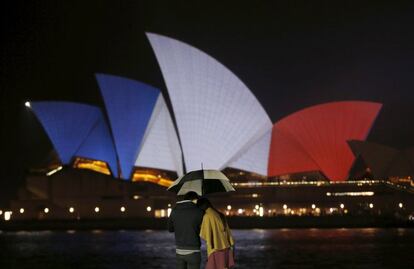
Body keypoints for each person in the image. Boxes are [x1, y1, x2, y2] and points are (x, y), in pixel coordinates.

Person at [168, 191, 204, 269]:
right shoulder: (199, 211)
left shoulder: (174, 211)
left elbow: (170, 229)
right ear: (194, 200)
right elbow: (204, 229)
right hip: (194, 251)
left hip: (179, 251)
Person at [197, 198, 235, 269]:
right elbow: (228, 234)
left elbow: (205, 235)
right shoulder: (220, 215)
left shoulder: (207, 216)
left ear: (201, 206)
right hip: (226, 249)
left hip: (215, 250)